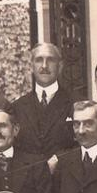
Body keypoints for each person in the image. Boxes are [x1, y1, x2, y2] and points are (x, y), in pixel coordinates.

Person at [10, 43, 77, 175]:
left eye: (50, 60)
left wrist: (59, 159)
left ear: (60, 66)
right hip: (30, 182)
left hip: (65, 179)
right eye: (39, 60)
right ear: (31, 66)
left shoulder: (76, 103)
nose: (44, 66)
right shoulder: (17, 107)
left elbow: (85, 143)